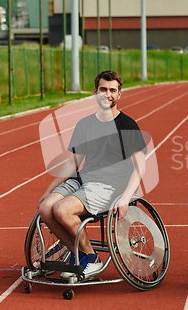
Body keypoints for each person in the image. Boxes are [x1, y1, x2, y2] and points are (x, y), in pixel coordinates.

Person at [38, 70, 147, 278]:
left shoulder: (127, 125)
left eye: (113, 90)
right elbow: (73, 162)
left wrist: (125, 198)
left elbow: (140, 166)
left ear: (119, 95)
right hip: (83, 180)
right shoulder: (85, 124)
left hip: (109, 184)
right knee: (45, 208)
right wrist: (49, 188)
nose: (108, 94)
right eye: (103, 89)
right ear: (95, 92)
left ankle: (91, 257)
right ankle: (77, 254)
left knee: (62, 210)